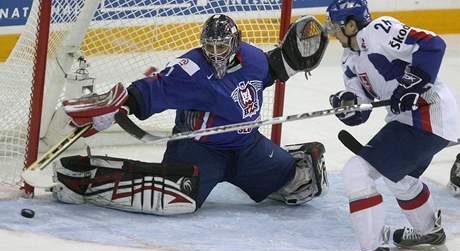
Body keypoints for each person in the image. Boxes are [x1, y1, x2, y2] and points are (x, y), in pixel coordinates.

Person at [49, 14, 330, 216]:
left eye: (222, 47)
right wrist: (123, 106)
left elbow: (273, 70)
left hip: (247, 147)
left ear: (235, 44)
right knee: (176, 197)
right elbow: (156, 88)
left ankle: (288, 160)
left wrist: (295, 60)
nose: (216, 53)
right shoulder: (191, 70)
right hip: (199, 149)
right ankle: (84, 176)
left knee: (300, 182)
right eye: (210, 47)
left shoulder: (254, 60)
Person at [325, 0, 458, 251]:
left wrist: (412, 83)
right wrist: (347, 106)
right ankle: (428, 231)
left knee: (356, 173)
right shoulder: (349, 61)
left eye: (335, 25)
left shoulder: (379, 30)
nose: (332, 31)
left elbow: (432, 44)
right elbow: (361, 112)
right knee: (400, 177)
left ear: (351, 25)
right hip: (410, 120)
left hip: (428, 112)